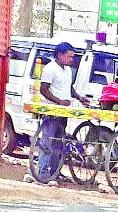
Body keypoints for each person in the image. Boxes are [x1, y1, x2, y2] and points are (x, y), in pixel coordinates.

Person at [38, 42, 89, 184]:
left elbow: (69, 88)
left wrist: (79, 98)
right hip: (52, 111)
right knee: (47, 142)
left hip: (63, 112)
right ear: (60, 55)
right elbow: (44, 89)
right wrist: (59, 101)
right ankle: (42, 172)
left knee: (59, 143)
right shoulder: (50, 69)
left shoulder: (67, 70)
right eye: (69, 57)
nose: (72, 60)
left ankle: (55, 171)